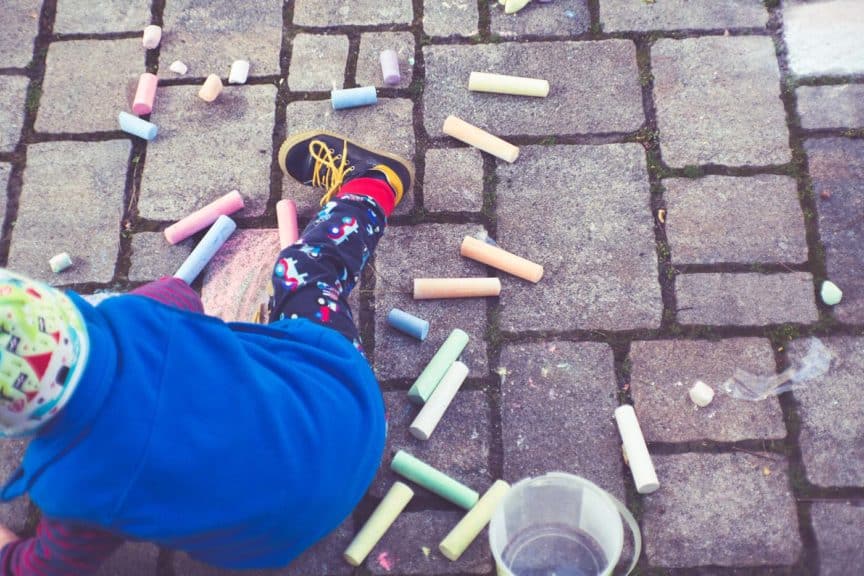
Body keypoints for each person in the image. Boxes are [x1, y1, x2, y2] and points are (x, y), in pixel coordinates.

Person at [0, 132, 413, 574]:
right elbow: (182, 294)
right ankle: (375, 184)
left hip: (277, 538)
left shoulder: (73, 488)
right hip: (350, 416)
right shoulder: (140, 316)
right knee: (303, 271)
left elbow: (38, 568)